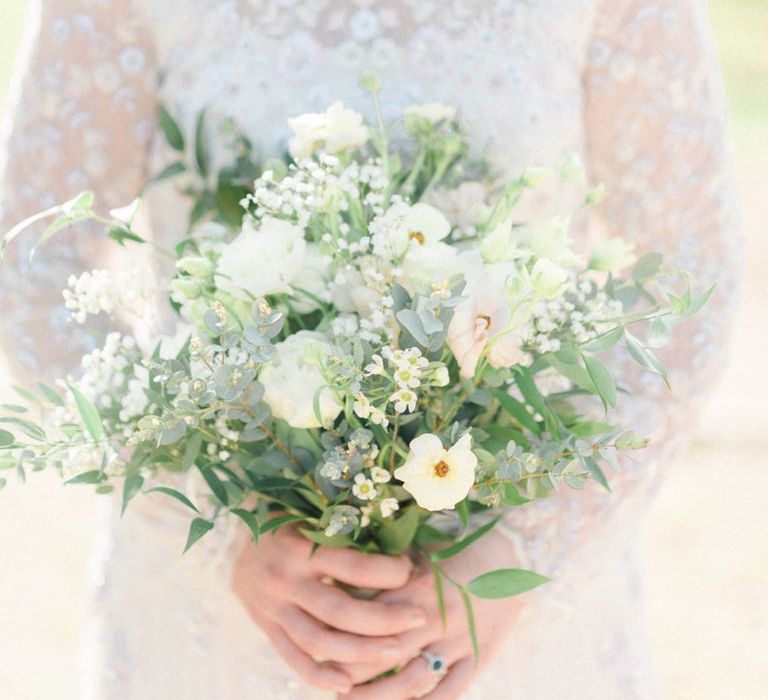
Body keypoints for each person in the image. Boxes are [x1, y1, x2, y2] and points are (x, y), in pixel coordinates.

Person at [0, 1, 740, 698]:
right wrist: (219, 526)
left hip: (509, 619)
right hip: (218, 610)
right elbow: (29, 260)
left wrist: (520, 552)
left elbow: (686, 266)